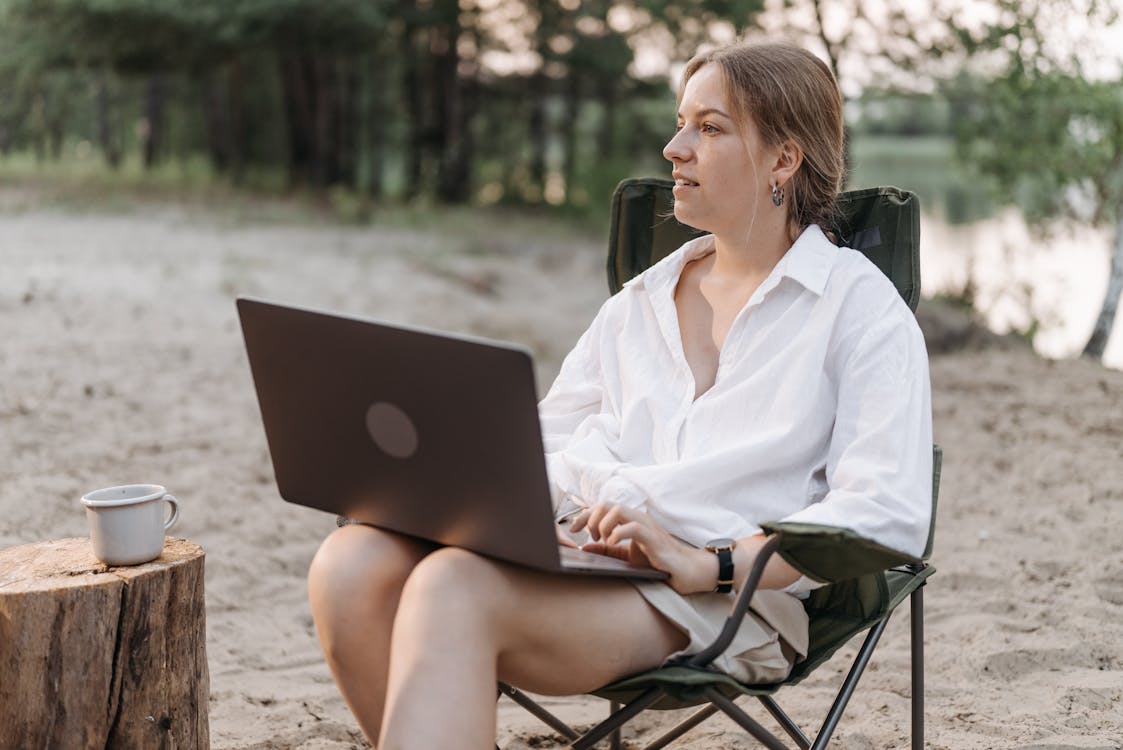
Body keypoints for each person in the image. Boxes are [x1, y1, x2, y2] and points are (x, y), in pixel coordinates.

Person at [307, 40, 932, 749]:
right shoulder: (638, 303)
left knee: (451, 587)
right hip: (588, 557)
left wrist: (716, 561)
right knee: (349, 566)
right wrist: (452, 497)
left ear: (782, 160)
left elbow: (884, 513)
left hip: (721, 595)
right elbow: (541, 444)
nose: (673, 148)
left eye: (709, 127)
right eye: (679, 122)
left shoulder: (856, 308)